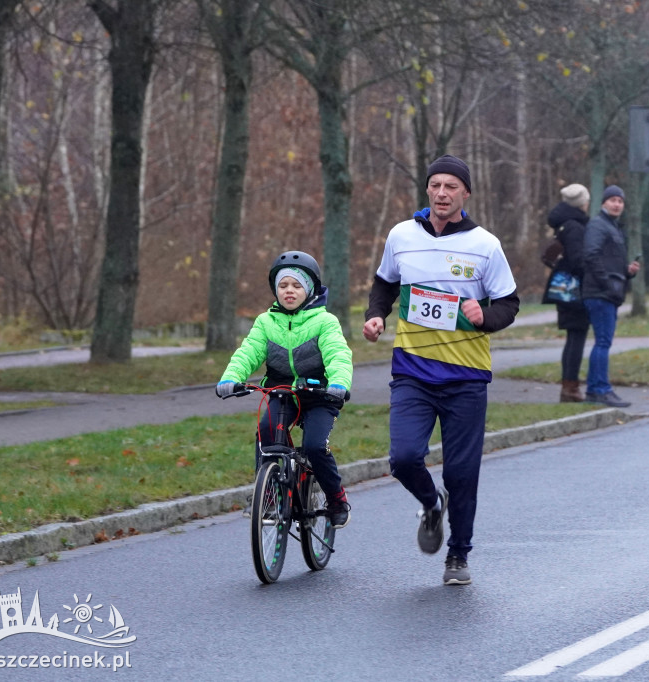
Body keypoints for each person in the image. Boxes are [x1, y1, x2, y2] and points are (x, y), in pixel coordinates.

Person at [363, 154, 519, 586]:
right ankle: (433, 505)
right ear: (427, 190)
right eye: (436, 186)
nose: (442, 193)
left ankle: (458, 555)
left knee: (462, 473)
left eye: (452, 186)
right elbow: (384, 284)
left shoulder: (485, 245)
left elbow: (509, 303)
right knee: (404, 457)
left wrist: (485, 314)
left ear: (465, 194)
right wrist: (376, 315)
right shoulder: (401, 236)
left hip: (466, 376)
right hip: (412, 370)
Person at [215, 251, 354, 528]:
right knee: (267, 432)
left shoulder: (325, 322)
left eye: (296, 285)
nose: (289, 291)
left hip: (320, 395)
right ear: (275, 290)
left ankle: (337, 499)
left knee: (315, 447)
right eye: (283, 285)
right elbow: (248, 353)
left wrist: (339, 384)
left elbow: (338, 355)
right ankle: (268, 495)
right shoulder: (266, 322)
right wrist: (230, 377)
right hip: (281, 393)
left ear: (310, 289)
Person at [581, 184, 639, 408]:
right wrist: (607, 284)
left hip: (607, 291)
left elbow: (607, 259)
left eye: (620, 201)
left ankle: (596, 389)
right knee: (603, 342)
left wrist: (626, 272)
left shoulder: (612, 226)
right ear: (603, 203)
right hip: (600, 293)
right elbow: (591, 255)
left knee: (603, 341)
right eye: (613, 200)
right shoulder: (598, 225)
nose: (617, 204)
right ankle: (600, 390)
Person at [544, 183, 591, 402]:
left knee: (575, 335)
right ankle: (570, 388)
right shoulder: (575, 226)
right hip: (573, 290)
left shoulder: (565, 223)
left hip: (564, 288)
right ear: (582, 203)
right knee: (576, 336)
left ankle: (569, 386)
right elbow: (577, 260)